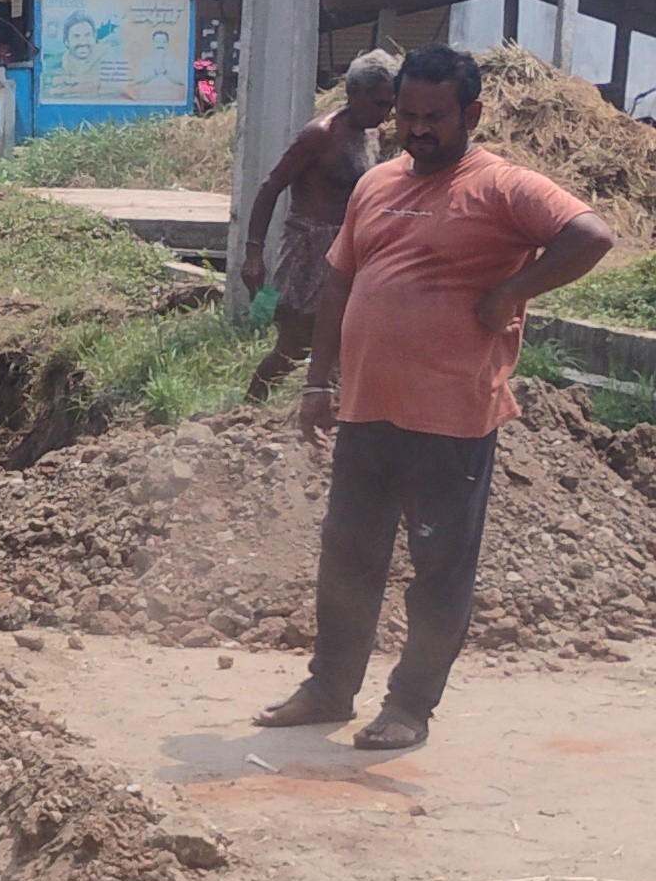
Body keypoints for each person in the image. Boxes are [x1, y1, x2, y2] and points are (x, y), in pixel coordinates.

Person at [252, 44, 614, 750]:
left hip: (450, 418)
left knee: (439, 565)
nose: (416, 129)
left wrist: (511, 292)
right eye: (406, 116)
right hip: (365, 407)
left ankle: (410, 705)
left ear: (470, 113)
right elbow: (339, 285)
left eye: (433, 117)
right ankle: (329, 689)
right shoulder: (376, 183)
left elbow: (591, 235)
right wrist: (318, 382)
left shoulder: (503, 185)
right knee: (348, 554)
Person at [239, 50, 400, 401]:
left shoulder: (373, 133)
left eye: (390, 105)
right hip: (308, 250)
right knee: (294, 345)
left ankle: (334, 411)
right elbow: (271, 187)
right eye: (378, 104)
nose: (384, 113)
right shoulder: (321, 135)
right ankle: (249, 409)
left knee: (347, 339)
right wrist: (253, 253)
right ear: (353, 93)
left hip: (348, 248)